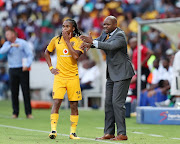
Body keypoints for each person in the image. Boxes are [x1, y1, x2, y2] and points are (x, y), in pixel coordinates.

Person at [80, 16, 135, 141]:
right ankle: (109, 133)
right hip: (111, 73)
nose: (105, 27)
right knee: (109, 103)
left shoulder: (120, 35)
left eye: (108, 24)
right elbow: (98, 43)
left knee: (117, 103)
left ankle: (122, 134)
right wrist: (88, 43)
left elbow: (110, 46)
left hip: (122, 73)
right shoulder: (106, 34)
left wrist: (93, 42)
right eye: (104, 24)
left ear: (115, 24)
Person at [44, 19, 84, 140]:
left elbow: (76, 56)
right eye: (63, 26)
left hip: (73, 77)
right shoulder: (56, 40)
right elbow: (47, 52)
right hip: (60, 77)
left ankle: (72, 133)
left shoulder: (78, 41)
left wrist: (67, 41)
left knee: (74, 105)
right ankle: (53, 130)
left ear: (73, 28)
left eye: (67, 26)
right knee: (56, 102)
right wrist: (51, 68)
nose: (64, 28)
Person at [0, 28, 33, 119]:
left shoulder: (23, 43)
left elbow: (30, 54)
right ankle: (15, 112)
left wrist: (27, 64)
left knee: (25, 91)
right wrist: (11, 46)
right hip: (12, 69)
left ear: (13, 34)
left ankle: (28, 113)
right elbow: (1, 51)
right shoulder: (7, 44)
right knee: (14, 92)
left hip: (23, 69)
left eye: (8, 34)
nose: (6, 36)